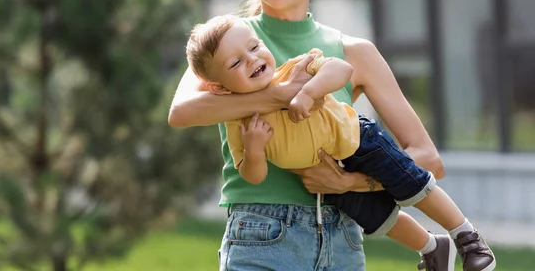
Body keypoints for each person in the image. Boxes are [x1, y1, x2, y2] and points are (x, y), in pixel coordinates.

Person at [167, 0, 461, 271]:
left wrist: (350, 183)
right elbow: (181, 113)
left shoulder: (352, 52)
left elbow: (427, 159)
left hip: (341, 240)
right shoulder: (223, 45)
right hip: (259, 238)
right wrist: (277, 94)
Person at [185, 14, 496, 271]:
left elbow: (340, 69)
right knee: (377, 218)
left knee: (412, 183)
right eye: (236, 63)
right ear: (219, 87)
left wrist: (308, 92)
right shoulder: (238, 120)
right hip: (323, 174)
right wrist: (253, 149)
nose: (252, 59)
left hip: (359, 140)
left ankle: (466, 235)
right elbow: (253, 175)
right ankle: (433, 248)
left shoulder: (294, 71)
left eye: (254, 47)